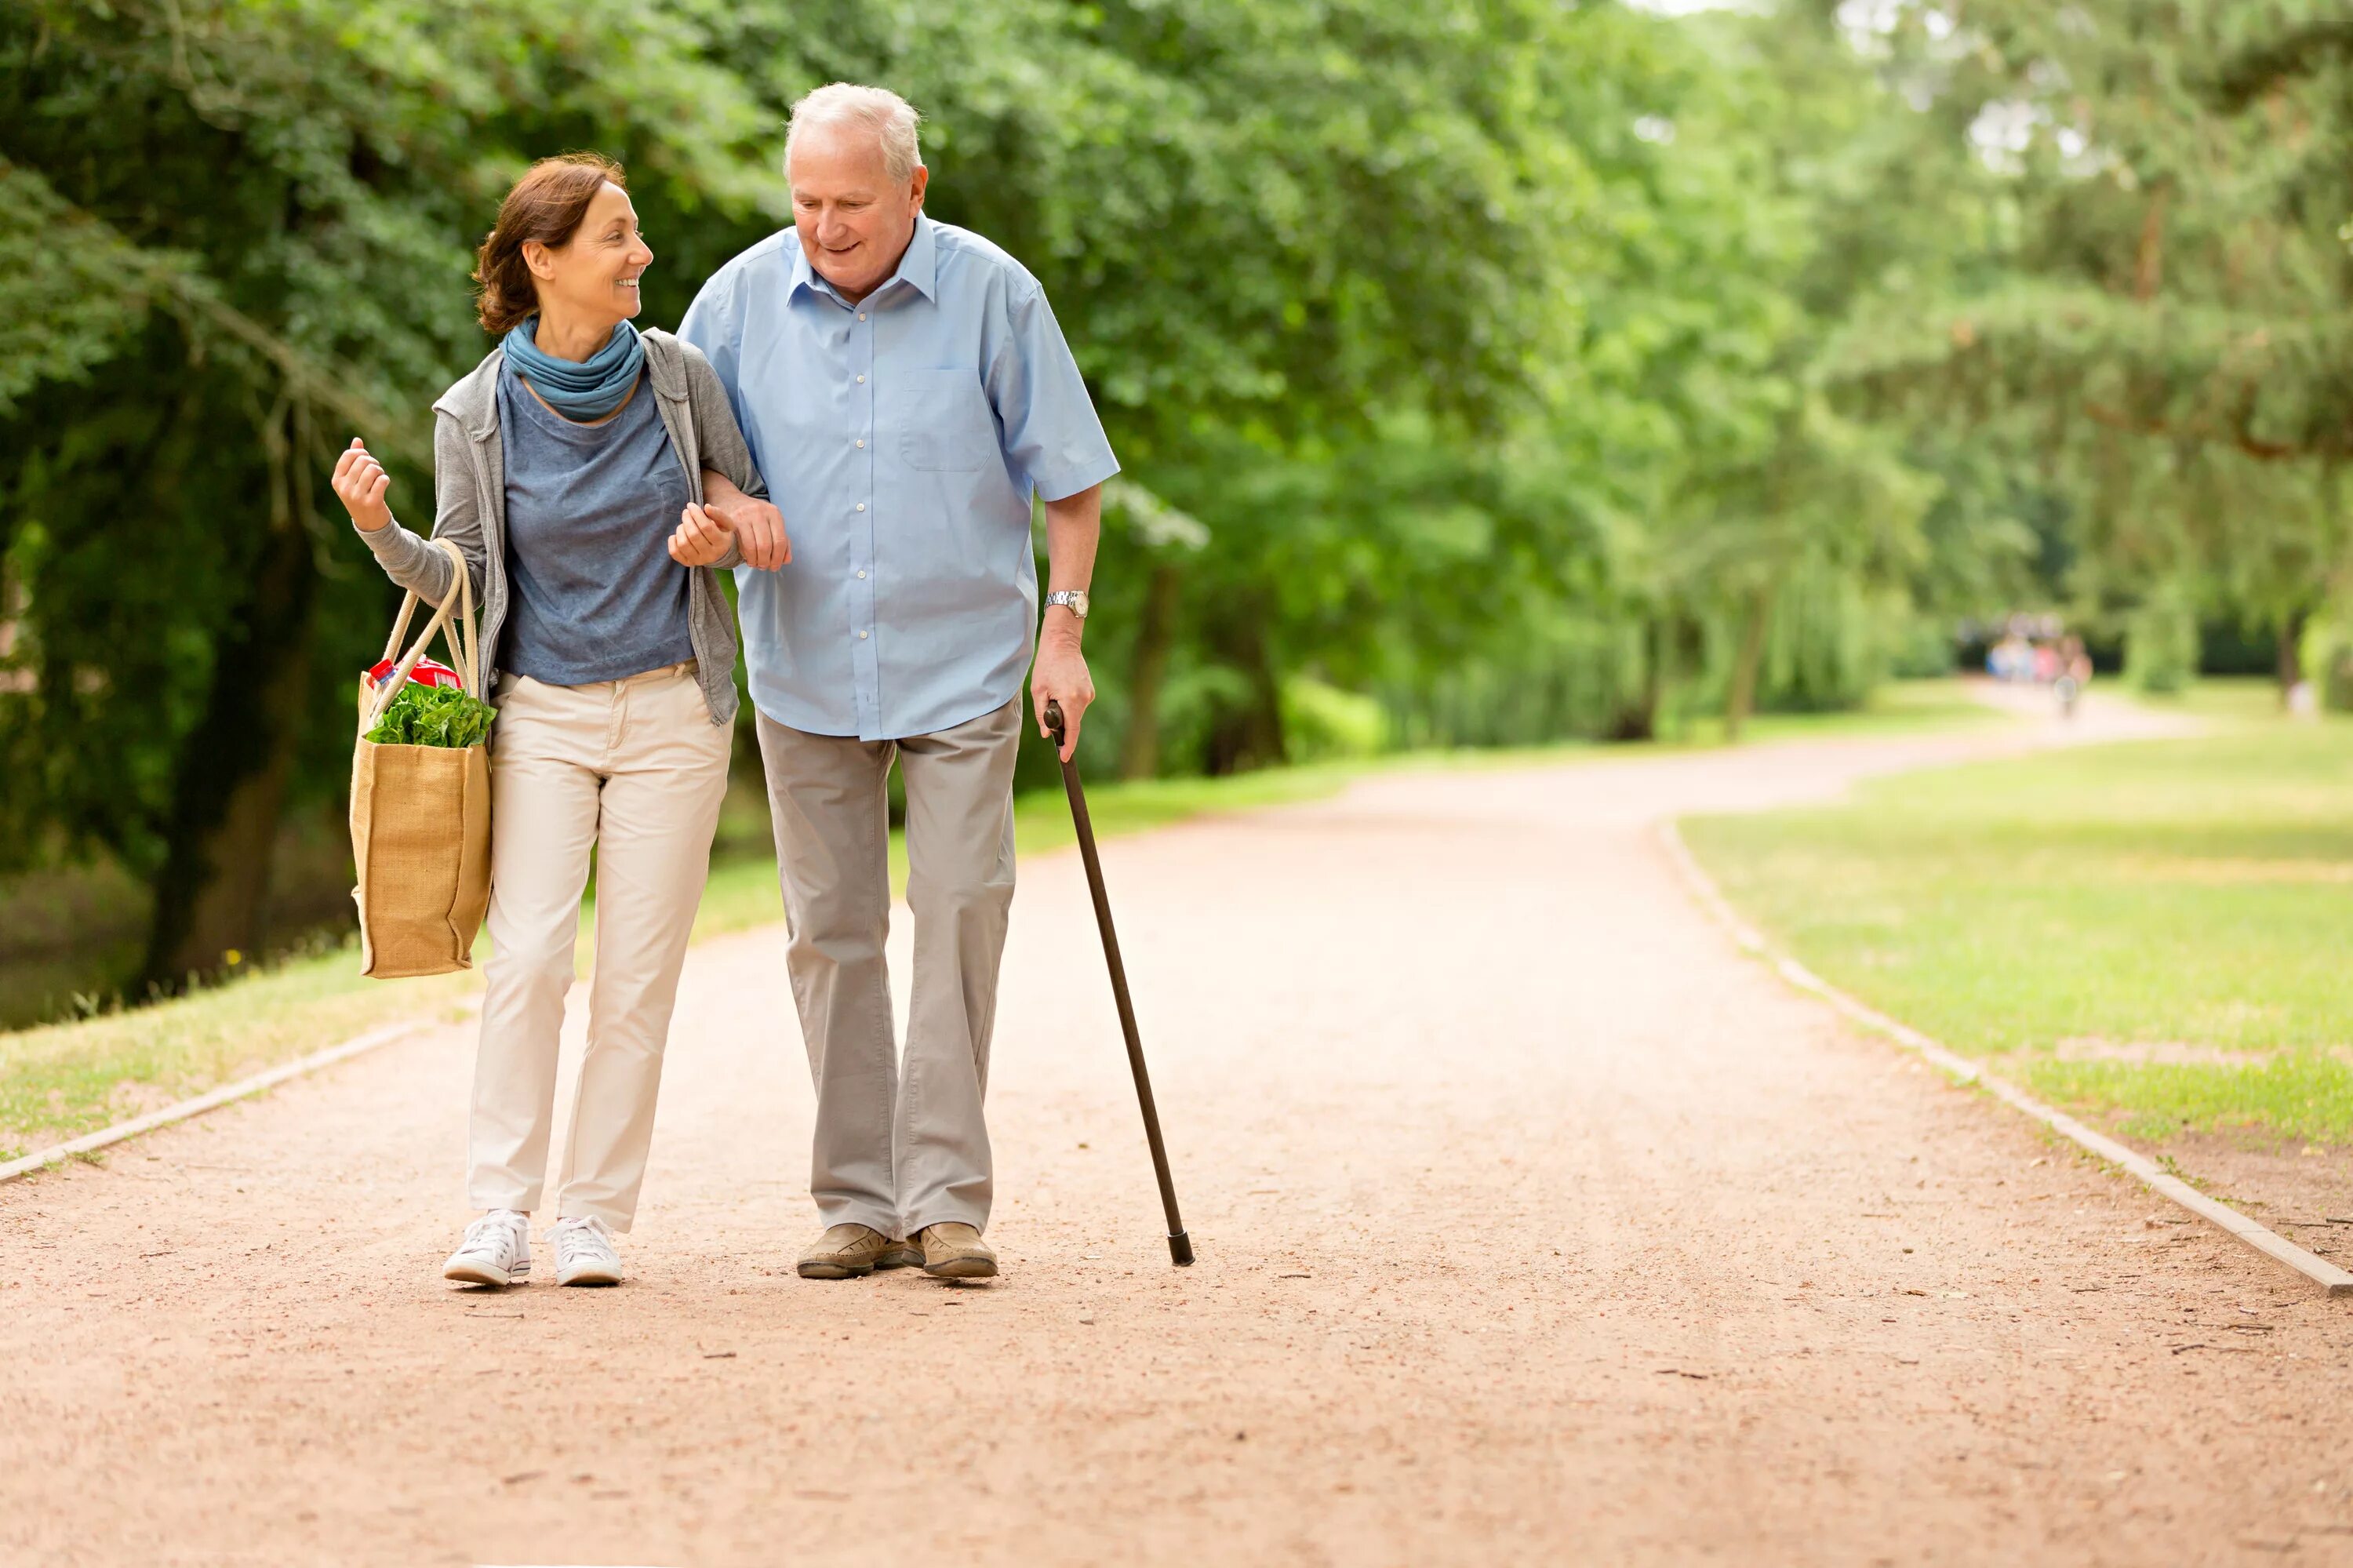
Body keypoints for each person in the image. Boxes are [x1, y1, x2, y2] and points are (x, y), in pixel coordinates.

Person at [683, 84, 1118, 1282]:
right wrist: (732, 510)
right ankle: (860, 1204)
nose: (826, 226)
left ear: (915, 191)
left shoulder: (995, 294)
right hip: (804, 665)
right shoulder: (730, 303)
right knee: (828, 934)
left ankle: (946, 1202)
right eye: (807, 201)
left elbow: (1070, 478)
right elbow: (691, 467)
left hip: (965, 663)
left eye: (853, 204)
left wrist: (1064, 635)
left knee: (964, 907)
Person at [329, 154, 784, 1288]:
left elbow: (738, 501)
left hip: (675, 709)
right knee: (528, 959)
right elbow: (464, 577)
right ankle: (499, 1211)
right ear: (544, 260)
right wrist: (381, 532)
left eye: (634, 236)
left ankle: (591, 1216)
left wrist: (714, 540)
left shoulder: (680, 377)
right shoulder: (475, 412)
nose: (640, 256)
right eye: (616, 237)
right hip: (539, 714)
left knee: (637, 976)